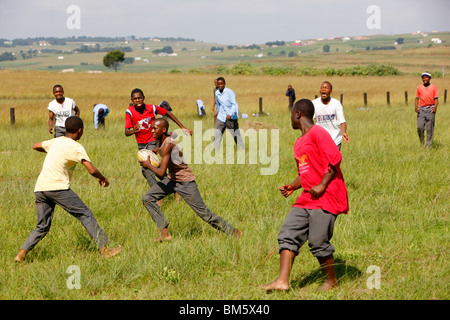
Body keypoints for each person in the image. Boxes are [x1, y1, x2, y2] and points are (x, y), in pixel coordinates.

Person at [261, 99, 348, 292]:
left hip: (326, 196)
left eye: (292, 113)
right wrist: (293, 186)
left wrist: (322, 184)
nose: (290, 118)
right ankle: (282, 281)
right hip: (307, 198)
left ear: (298, 114)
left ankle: (331, 281)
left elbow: (335, 159)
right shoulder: (299, 143)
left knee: (318, 242)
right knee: (287, 233)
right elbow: (305, 173)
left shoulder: (318, 132)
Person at [14, 116, 122, 262]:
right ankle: (105, 250)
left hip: (40, 188)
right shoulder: (76, 147)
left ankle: (21, 254)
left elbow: (35, 145)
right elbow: (90, 170)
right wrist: (102, 177)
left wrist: (52, 151)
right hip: (57, 188)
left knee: (42, 226)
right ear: (80, 130)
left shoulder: (56, 141)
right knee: (85, 214)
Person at [139, 118, 242, 242]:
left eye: (155, 128)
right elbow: (173, 135)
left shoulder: (168, 144)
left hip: (185, 182)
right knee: (147, 198)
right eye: (152, 128)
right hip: (172, 179)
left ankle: (234, 232)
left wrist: (148, 165)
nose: (152, 130)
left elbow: (161, 173)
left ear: (164, 129)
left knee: (205, 215)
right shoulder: (159, 139)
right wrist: (156, 150)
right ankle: (165, 232)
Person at [125, 88, 192, 188]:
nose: (137, 100)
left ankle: (157, 196)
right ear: (131, 100)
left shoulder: (152, 108)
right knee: (155, 167)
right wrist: (134, 131)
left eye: (140, 98)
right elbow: (126, 132)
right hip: (141, 145)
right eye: (135, 99)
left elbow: (168, 113)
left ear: (143, 98)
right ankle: (173, 187)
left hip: (153, 141)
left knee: (146, 169)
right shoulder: (129, 112)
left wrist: (182, 127)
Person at [312, 81, 349, 150]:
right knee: (322, 161)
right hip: (320, 141)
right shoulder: (314, 104)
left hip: (335, 140)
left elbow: (342, 121)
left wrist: (343, 132)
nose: (323, 89)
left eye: (326, 88)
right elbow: (309, 121)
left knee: (333, 161)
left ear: (331, 91)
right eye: (322, 88)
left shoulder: (336, 104)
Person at [213, 77, 244, 149]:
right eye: (219, 84)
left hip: (231, 117)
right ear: (216, 85)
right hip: (221, 116)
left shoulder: (230, 92)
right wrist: (217, 112)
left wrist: (230, 114)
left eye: (222, 84)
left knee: (235, 134)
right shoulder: (216, 93)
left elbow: (234, 105)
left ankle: (241, 149)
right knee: (217, 133)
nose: (220, 85)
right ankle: (216, 152)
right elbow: (218, 104)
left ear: (224, 84)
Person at [415, 71, 439, 148]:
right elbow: (417, 98)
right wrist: (416, 106)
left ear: (429, 78)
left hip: (430, 109)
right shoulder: (419, 87)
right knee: (420, 127)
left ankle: (428, 146)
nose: (424, 79)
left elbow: (436, 98)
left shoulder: (434, 87)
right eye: (423, 77)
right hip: (421, 109)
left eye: (426, 77)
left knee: (430, 129)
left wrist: (435, 107)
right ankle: (422, 142)